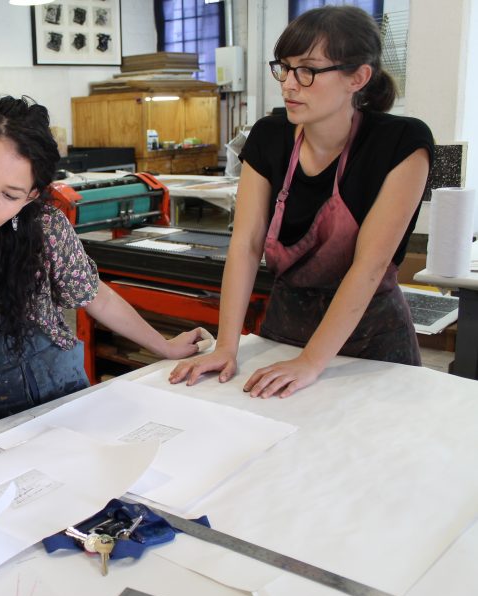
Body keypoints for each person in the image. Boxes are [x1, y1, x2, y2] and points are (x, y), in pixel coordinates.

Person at [0, 96, 210, 424]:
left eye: (9, 195)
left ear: (30, 197)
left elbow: (96, 296)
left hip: (61, 396)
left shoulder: (43, 230)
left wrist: (164, 346)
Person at [170, 6, 433, 398]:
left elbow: (370, 265)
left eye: (308, 70)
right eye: (285, 68)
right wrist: (227, 346)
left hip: (373, 345)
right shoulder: (269, 137)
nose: (289, 84)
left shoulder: (401, 144)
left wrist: (312, 361)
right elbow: (245, 246)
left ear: (357, 77)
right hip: (286, 333)